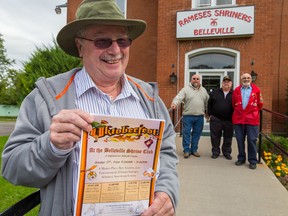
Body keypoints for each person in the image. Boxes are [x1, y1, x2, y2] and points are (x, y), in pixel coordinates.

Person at [1, 0, 179, 215]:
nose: (115, 50)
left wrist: (167, 191)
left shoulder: (149, 98)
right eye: (102, 41)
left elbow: (166, 154)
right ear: (80, 46)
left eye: (122, 40)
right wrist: (51, 146)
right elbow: (12, 168)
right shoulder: (47, 97)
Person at [171, 74, 209, 158]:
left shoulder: (204, 90)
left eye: (197, 79)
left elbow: (207, 102)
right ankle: (186, 150)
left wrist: (208, 112)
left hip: (199, 117)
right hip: (188, 116)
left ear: (200, 81)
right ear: (191, 80)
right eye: (194, 79)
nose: (195, 80)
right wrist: (174, 103)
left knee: (197, 134)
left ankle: (194, 150)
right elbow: (179, 97)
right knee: (186, 133)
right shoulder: (185, 89)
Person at [232, 73, 263, 169]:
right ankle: (241, 158)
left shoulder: (257, 90)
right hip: (239, 119)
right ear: (241, 79)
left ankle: (252, 160)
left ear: (251, 79)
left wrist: (252, 113)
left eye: (248, 78)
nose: (246, 79)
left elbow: (260, 104)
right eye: (244, 78)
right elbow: (234, 104)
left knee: (252, 140)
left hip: (252, 119)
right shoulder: (236, 90)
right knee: (240, 139)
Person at [207, 76, 234, 160]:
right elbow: (209, 104)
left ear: (231, 84)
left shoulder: (234, 94)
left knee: (228, 137)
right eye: (224, 82)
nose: (226, 83)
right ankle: (215, 152)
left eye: (228, 82)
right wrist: (210, 115)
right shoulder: (215, 92)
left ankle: (226, 152)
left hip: (229, 120)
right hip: (216, 119)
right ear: (222, 83)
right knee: (215, 137)